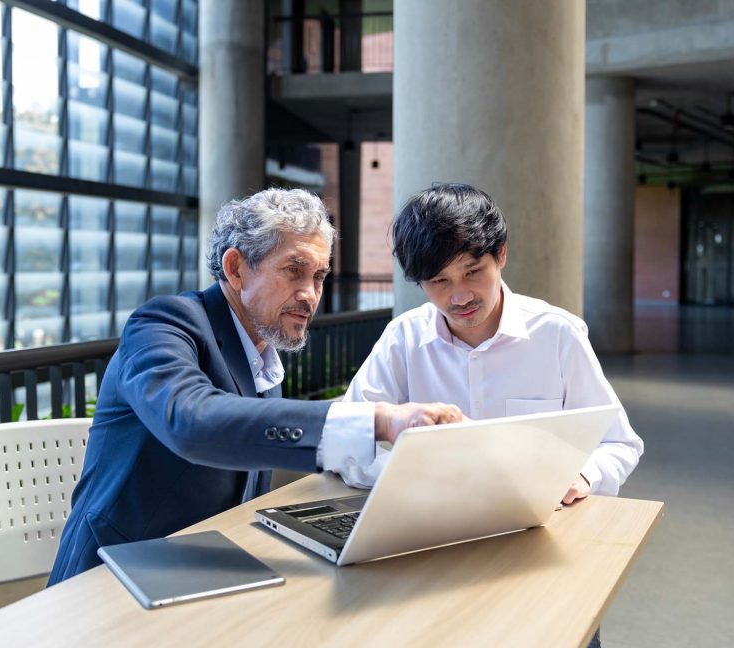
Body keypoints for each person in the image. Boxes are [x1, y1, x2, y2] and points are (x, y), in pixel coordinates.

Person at [48, 188, 463, 585]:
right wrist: (378, 421)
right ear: (236, 268)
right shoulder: (163, 324)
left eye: (318, 276)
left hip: (204, 567)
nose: (310, 295)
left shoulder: (262, 360)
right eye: (293, 271)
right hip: (111, 573)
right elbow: (192, 421)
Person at [341, 183, 644, 648]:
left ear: (501, 255)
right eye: (439, 281)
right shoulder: (403, 340)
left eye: (472, 272)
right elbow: (349, 440)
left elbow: (619, 442)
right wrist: (405, 469)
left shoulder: (558, 334)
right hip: (433, 555)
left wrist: (583, 477)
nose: (459, 296)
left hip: (542, 554)